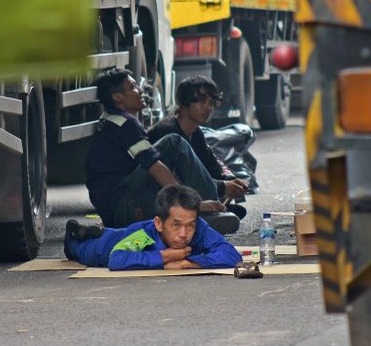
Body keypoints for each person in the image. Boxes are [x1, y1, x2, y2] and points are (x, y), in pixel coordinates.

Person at [85, 68, 240, 234]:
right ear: (117, 97)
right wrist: (191, 203)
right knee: (173, 142)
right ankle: (201, 214)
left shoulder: (111, 119)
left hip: (117, 210)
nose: (140, 90)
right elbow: (155, 167)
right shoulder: (126, 124)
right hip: (125, 209)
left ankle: (201, 216)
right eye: (133, 88)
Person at [65, 185, 242, 270]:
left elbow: (231, 255)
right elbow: (116, 259)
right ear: (158, 223)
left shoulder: (198, 226)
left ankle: (90, 231)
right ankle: (74, 236)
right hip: (106, 246)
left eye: (190, 226)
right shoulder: (143, 234)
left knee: (112, 234)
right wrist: (166, 256)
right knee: (83, 249)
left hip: (121, 235)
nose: (184, 234)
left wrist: (185, 263)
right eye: (176, 225)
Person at [148, 75, 250, 220]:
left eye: (212, 103)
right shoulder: (166, 133)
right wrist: (223, 186)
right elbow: (178, 182)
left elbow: (212, 166)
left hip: (188, 196)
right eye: (201, 101)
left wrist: (231, 180)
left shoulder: (195, 132)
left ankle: (210, 213)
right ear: (183, 102)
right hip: (161, 198)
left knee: (233, 205)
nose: (208, 108)